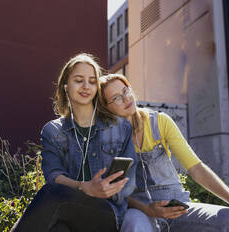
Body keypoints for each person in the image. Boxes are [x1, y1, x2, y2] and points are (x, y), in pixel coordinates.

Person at [99, 73, 229, 232]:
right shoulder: (108, 141)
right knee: (134, 223)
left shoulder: (160, 122)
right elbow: (116, 193)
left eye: (125, 90)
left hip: (178, 207)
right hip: (141, 212)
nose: (126, 98)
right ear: (106, 108)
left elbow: (196, 168)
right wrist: (148, 209)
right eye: (116, 98)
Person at [11, 54, 137, 232]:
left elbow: (129, 181)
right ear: (65, 86)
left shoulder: (119, 127)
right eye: (79, 80)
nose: (86, 86)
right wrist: (84, 187)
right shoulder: (53, 131)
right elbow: (54, 176)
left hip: (108, 215)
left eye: (92, 81)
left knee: (52, 193)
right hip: (68, 212)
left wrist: (103, 190)